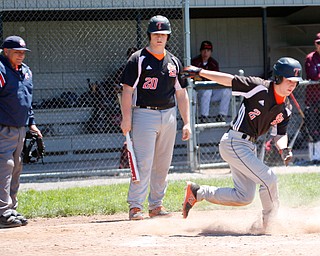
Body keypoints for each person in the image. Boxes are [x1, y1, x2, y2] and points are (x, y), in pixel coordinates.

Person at [181, 57, 303, 233]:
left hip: (248, 147)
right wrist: (200, 72)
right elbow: (229, 80)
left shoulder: (286, 108)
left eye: (295, 82)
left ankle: (198, 192)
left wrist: (284, 149)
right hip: (234, 142)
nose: (292, 85)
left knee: (244, 196)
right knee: (269, 179)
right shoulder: (258, 87)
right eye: (289, 80)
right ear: (277, 78)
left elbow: (279, 135)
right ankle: (269, 223)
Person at [120, 15, 191, 220]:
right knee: (143, 162)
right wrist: (126, 118)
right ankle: (135, 206)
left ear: (168, 36)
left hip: (168, 115)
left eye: (163, 34)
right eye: (156, 34)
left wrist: (186, 122)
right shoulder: (138, 59)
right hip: (144, 113)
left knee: (163, 163)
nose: (159, 38)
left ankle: (156, 205)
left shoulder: (174, 61)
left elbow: (181, 94)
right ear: (149, 35)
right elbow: (126, 90)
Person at [0, 35, 42, 228]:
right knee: (4, 167)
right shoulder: (1, 69)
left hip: (20, 127)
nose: (21, 56)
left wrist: (31, 123)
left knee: (16, 166)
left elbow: (27, 99)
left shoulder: (25, 71)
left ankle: (11, 208)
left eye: (23, 53)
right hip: (3, 127)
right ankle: (2, 212)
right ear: (6, 51)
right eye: (17, 52)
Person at [191, 40, 232, 122]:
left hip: (211, 93)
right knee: (207, 91)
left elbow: (217, 79)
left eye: (208, 51)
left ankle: (222, 115)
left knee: (227, 91)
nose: (206, 53)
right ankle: (204, 117)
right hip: (197, 93)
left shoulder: (213, 63)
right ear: (201, 51)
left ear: (211, 52)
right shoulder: (195, 62)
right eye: (204, 50)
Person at [304, 33, 320, 153]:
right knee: (312, 127)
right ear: (315, 44)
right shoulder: (310, 58)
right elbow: (313, 76)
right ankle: (315, 155)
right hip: (314, 98)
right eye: (318, 43)